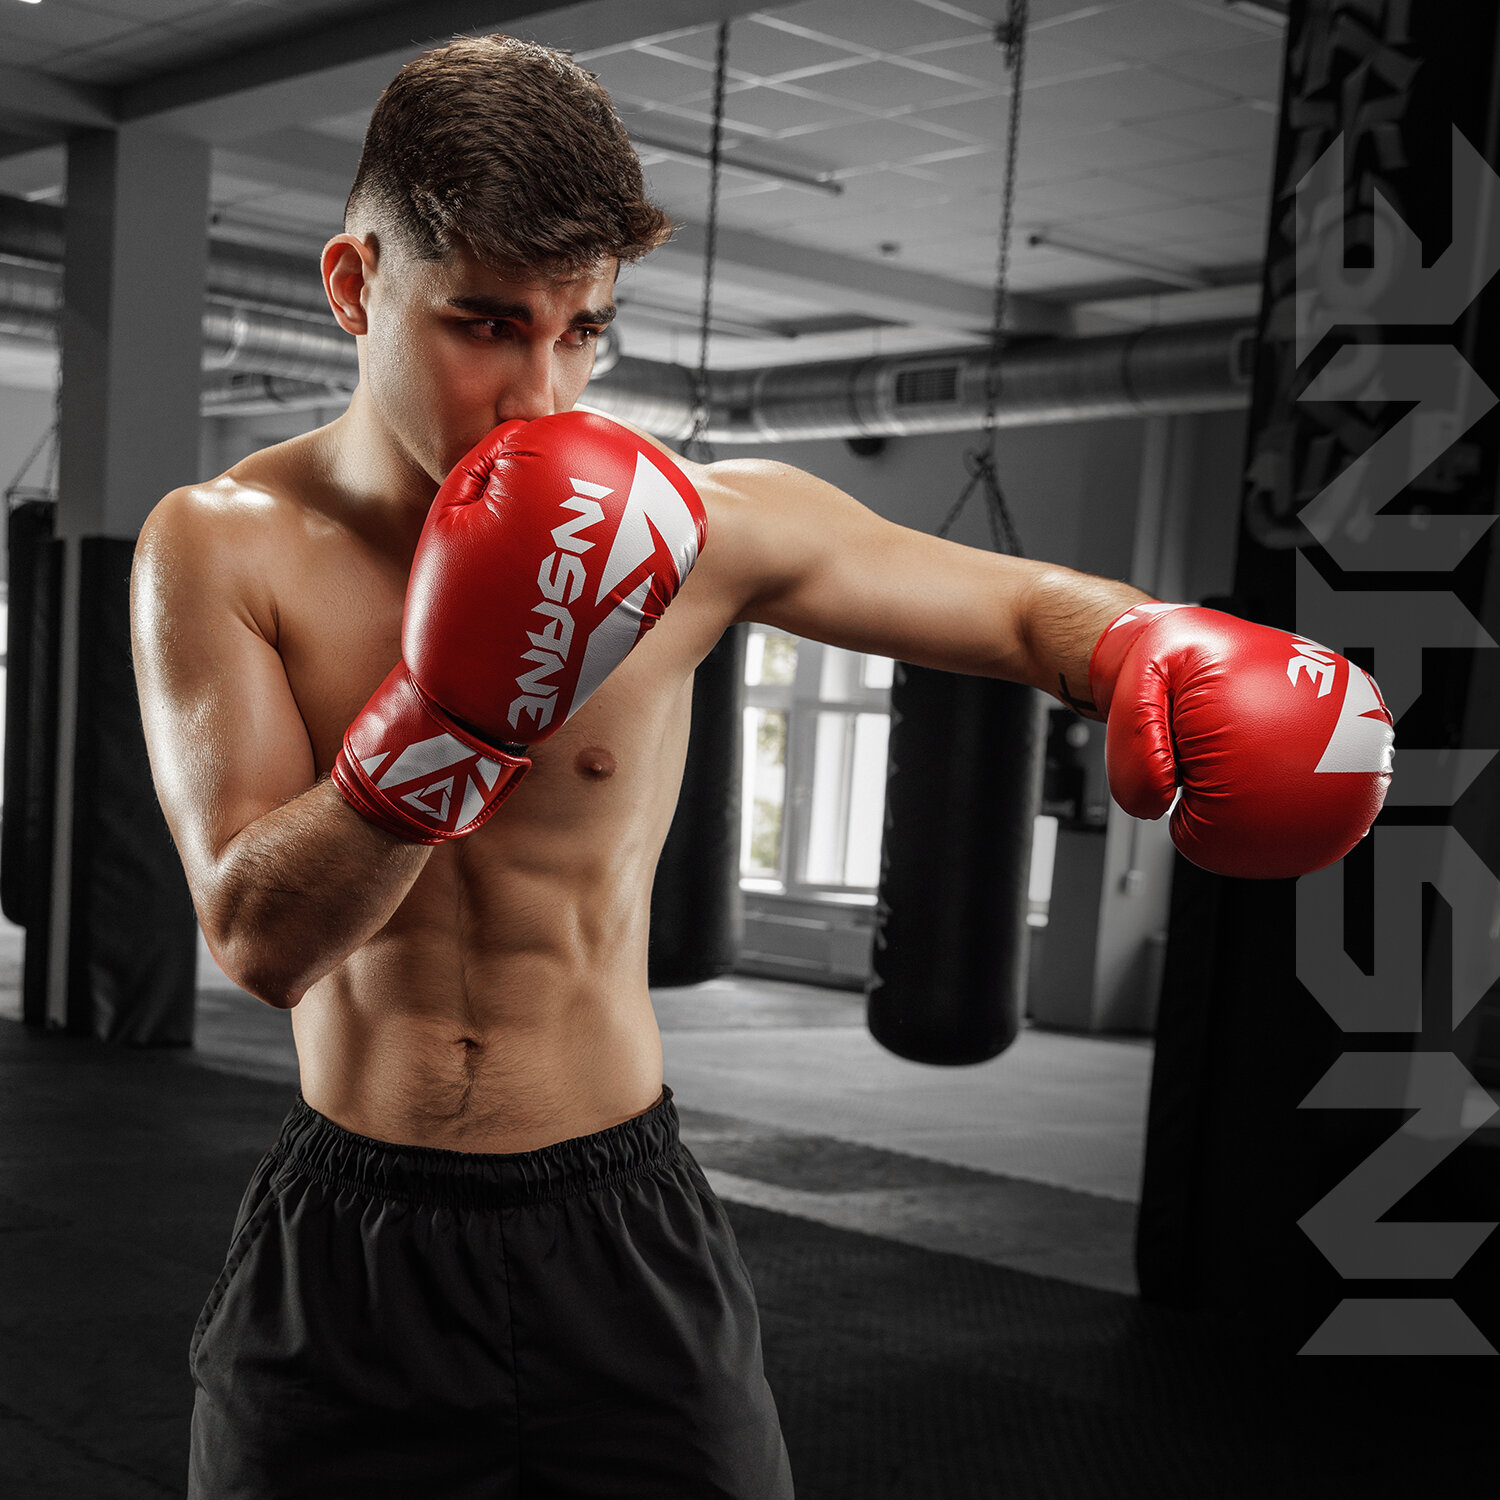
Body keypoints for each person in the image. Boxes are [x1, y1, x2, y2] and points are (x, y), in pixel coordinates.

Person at [130, 33, 1392, 1500]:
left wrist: (1145, 646)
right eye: (485, 323)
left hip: (619, 1228)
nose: (540, 394)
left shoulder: (693, 528)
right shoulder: (219, 544)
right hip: (349, 1248)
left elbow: (1020, 612)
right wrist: (455, 715)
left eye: (583, 331)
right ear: (356, 285)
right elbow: (260, 939)